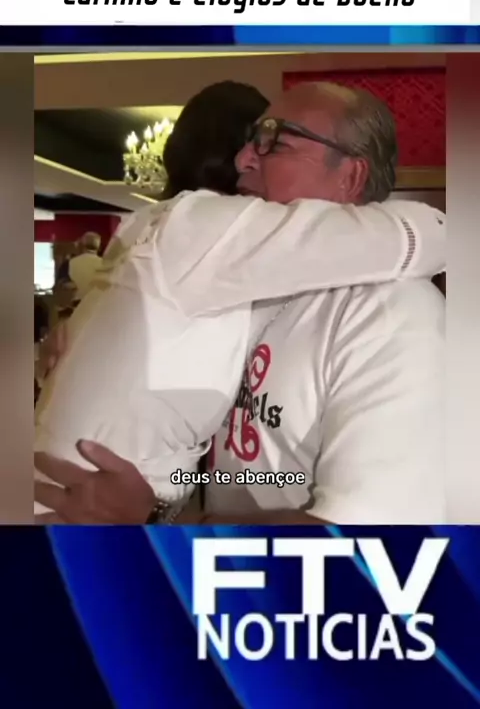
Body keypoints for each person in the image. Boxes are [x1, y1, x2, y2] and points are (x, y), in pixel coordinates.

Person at [35, 81, 446, 525]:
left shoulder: (393, 314)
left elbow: (372, 539)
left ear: (351, 176)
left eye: (276, 142)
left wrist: (153, 523)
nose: (242, 159)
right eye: (252, 140)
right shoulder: (246, 286)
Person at [67, 232, 103, 302]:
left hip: (79, 301)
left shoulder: (72, 262)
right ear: (98, 246)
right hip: (97, 301)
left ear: (82, 245)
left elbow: (69, 284)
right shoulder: (103, 263)